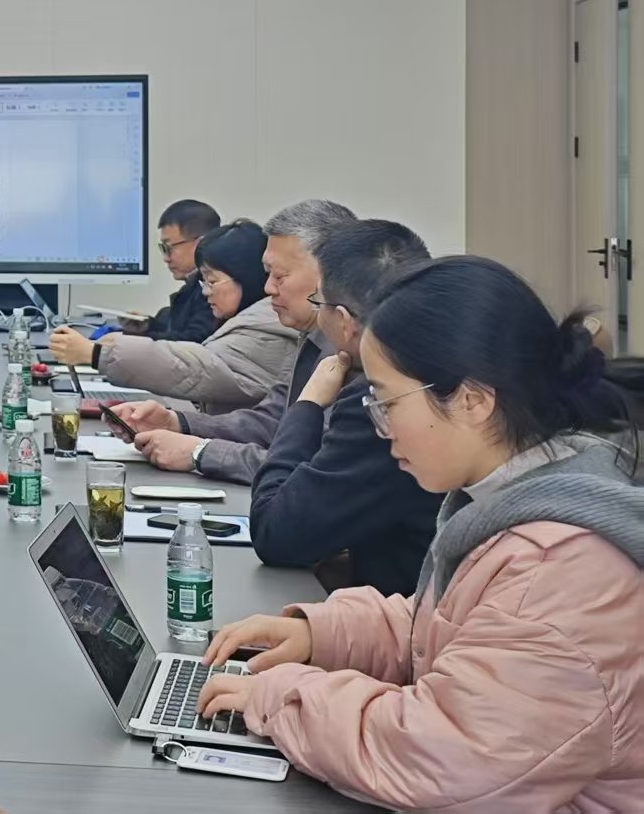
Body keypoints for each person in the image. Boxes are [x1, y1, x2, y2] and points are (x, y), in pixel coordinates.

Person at [199, 257, 644, 812]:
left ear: (472, 400)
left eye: (387, 402)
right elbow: (456, 632)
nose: (381, 427)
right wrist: (322, 635)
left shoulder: (561, 569)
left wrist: (280, 696)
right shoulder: (518, 498)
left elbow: (443, 761)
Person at [246, 219, 442, 594]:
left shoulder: (380, 400)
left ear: (346, 321)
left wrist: (309, 403)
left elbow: (276, 532)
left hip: (401, 615)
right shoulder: (443, 367)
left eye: (320, 303)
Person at [111, 198, 356, 480]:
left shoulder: (356, 349)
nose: (268, 288)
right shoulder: (313, 337)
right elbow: (272, 421)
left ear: (329, 275)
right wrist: (178, 423)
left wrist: (200, 452)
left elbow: (315, 469)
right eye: (268, 275)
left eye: (279, 276)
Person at [50, 220, 296, 412]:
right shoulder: (250, 319)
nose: (206, 292)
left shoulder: (266, 330)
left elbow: (193, 368)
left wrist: (97, 353)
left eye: (212, 281)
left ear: (246, 277)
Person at [119, 199, 221, 343]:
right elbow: (181, 330)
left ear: (200, 244)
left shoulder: (213, 290)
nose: (166, 258)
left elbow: (194, 341)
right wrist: (148, 326)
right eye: (163, 249)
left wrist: (138, 341)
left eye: (169, 248)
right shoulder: (192, 286)